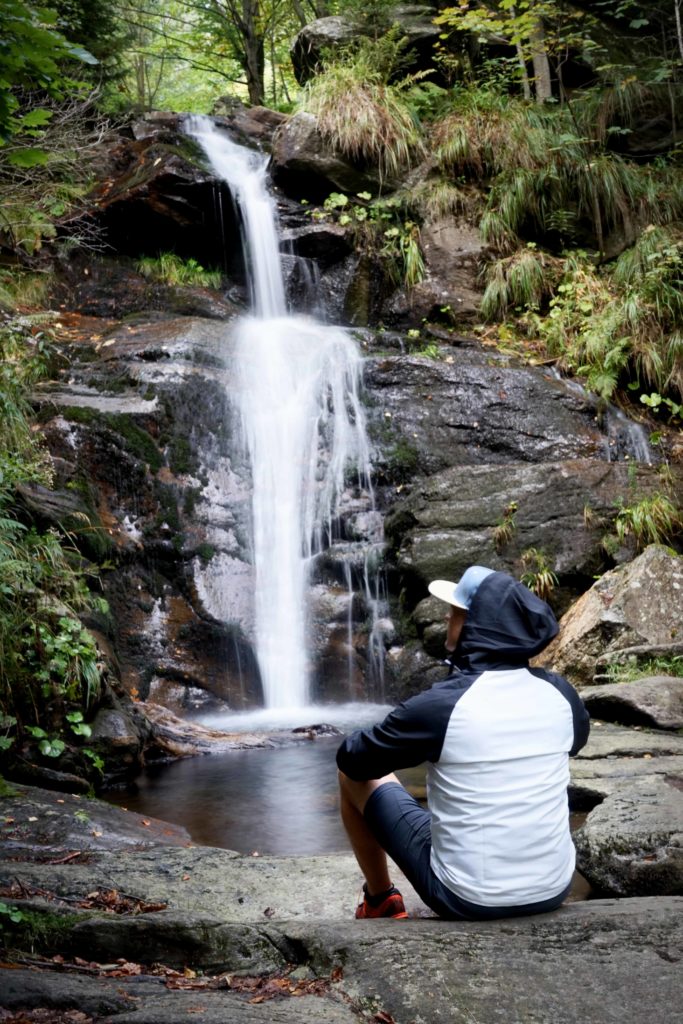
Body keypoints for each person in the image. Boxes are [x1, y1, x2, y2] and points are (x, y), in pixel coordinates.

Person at [336, 565, 590, 920]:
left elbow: (353, 759)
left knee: (350, 777)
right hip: (553, 888)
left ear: (476, 625)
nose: (445, 616)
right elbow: (576, 741)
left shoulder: (442, 706)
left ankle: (381, 899)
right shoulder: (561, 693)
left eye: (455, 612)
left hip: (467, 898)